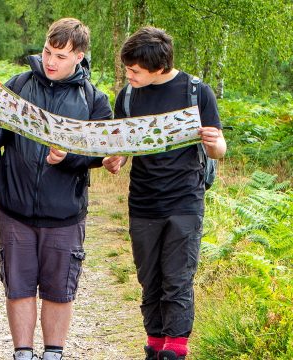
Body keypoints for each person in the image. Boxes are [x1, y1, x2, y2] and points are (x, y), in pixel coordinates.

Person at [0, 18, 113, 360]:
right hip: (15, 207)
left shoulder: (94, 99)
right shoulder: (19, 84)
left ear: (79, 57)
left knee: (59, 290)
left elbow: (100, 154)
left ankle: (54, 354)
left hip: (65, 211)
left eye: (61, 56)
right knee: (19, 285)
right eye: (47, 52)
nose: (51, 61)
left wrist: (69, 158)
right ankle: (22, 353)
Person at [103, 26, 227, 360]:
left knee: (177, 278)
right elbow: (125, 144)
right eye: (127, 68)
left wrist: (216, 144)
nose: (129, 75)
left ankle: (176, 347)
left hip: (185, 200)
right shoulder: (128, 95)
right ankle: (154, 343)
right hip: (143, 200)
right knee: (149, 279)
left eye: (135, 71)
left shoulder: (196, 91)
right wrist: (117, 158)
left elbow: (218, 149)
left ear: (158, 68)